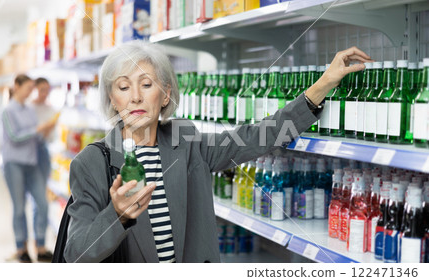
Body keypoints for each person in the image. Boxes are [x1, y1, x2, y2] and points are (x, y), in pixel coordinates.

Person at [64, 41, 371, 262]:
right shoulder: (91, 162)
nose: (134, 97)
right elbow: (75, 252)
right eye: (122, 87)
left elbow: (257, 137)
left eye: (146, 84)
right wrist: (116, 216)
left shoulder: (187, 142)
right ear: (111, 98)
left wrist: (323, 84)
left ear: (166, 93)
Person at [0, 74, 56, 262]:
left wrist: (45, 131)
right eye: (29, 87)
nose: (31, 91)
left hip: (31, 163)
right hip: (14, 163)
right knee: (19, 207)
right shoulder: (7, 111)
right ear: (17, 86)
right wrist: (37, 130)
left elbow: (36, 138)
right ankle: (21, 248)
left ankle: (40, 246)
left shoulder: (30, 110)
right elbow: (14, 137)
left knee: (42, 203)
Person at [31, 78, 57, 188]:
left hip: (43, 151)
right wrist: (43, 128)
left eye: (47, 90)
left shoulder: (51, 110)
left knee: (42, 185)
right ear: (34, 89)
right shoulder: (28, 108)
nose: (45, 94)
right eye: (42, 90)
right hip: (29, 152)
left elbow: (51, 137)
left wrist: (47, 130)